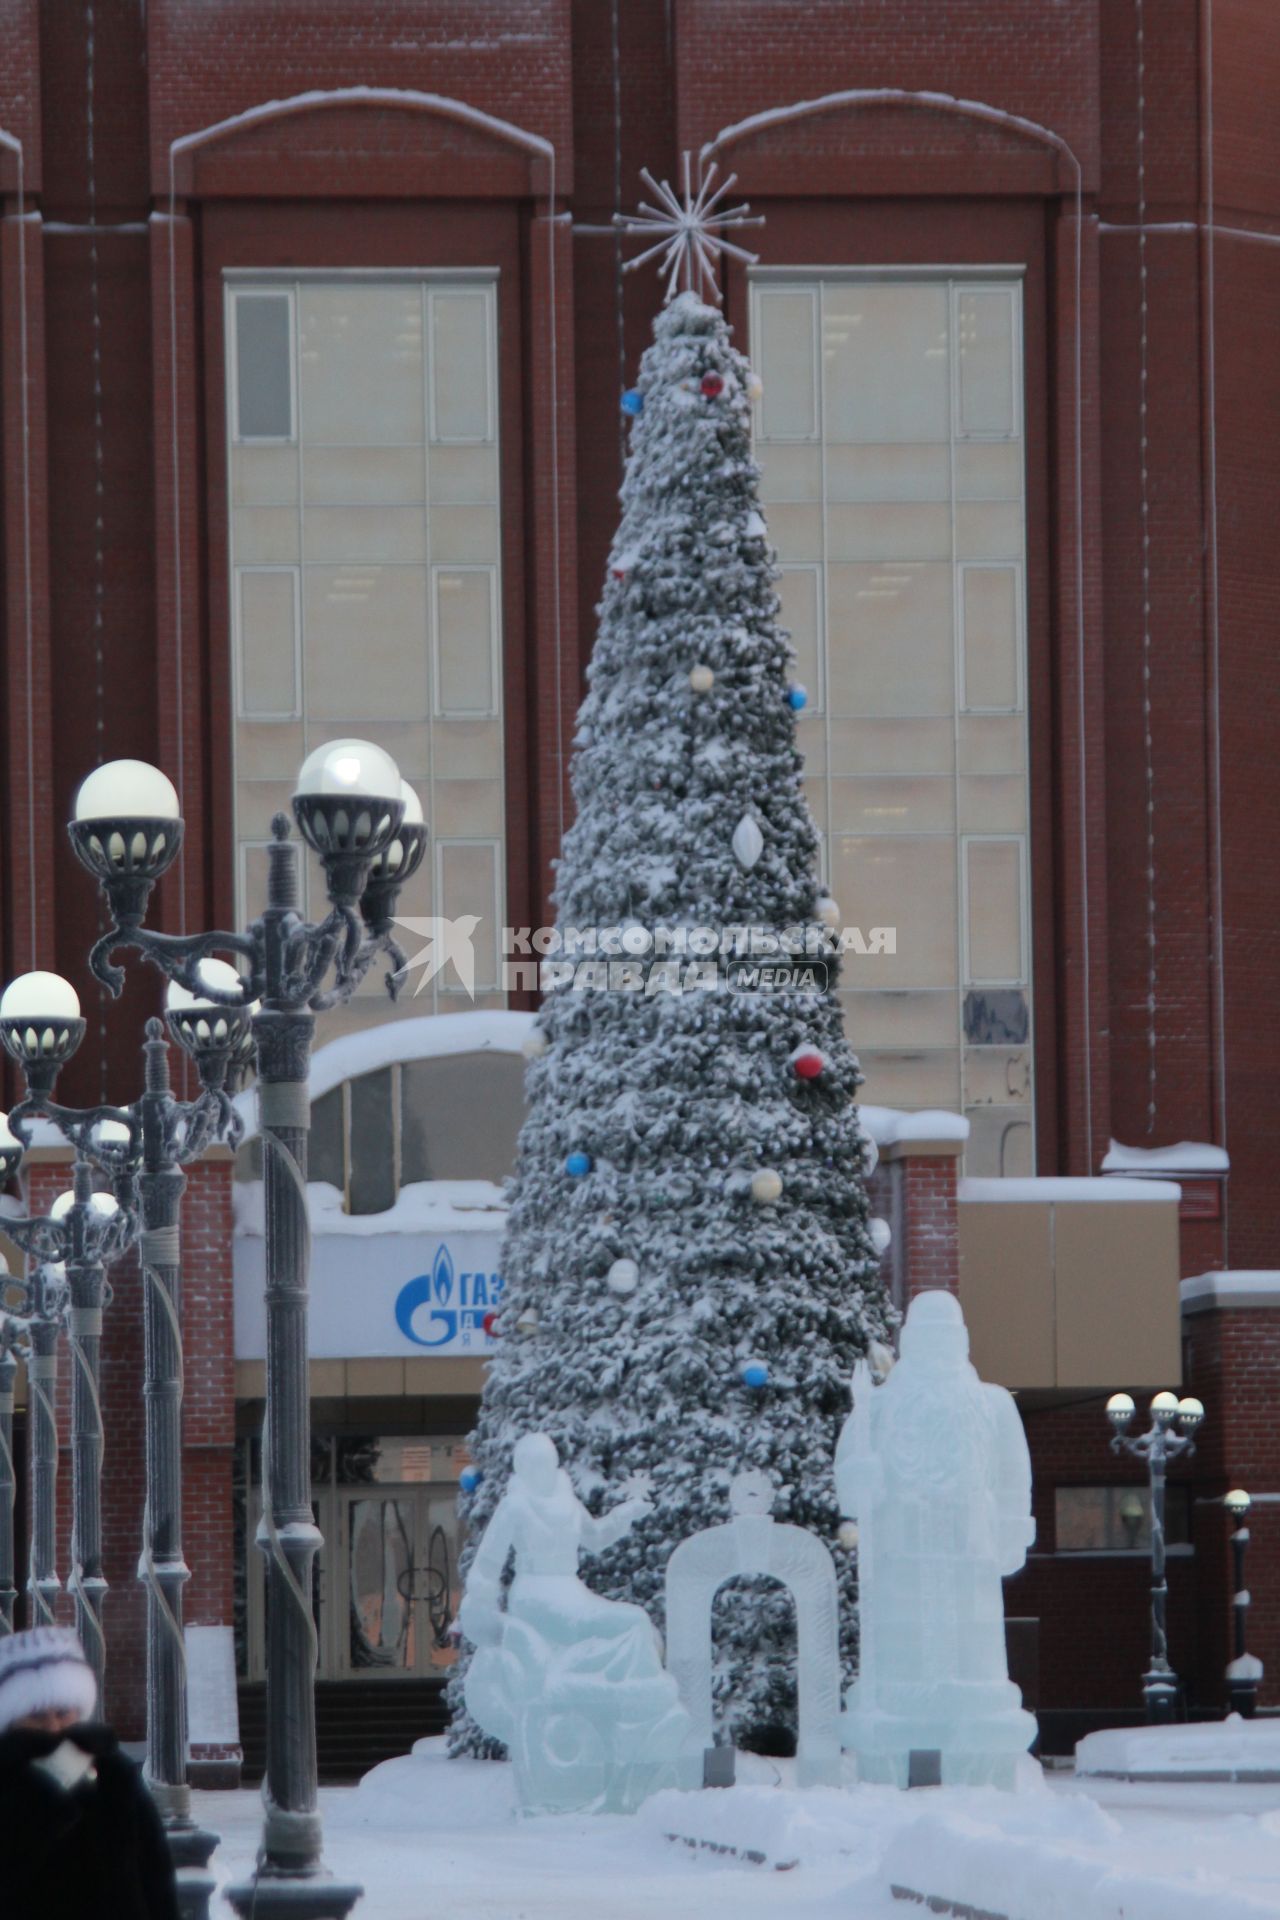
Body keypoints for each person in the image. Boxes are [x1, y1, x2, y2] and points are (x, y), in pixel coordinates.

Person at [0, 1625, 180, 1920]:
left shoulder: (113, 1771)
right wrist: (51, 1790)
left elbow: (154, 1872)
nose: (52, 1727)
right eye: (36, 1715)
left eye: (62, 1713)